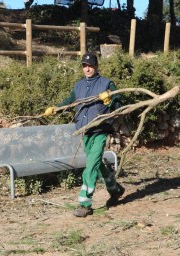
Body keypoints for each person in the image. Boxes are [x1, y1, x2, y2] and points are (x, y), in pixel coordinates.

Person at [44, 52, 125, 217]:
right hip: (85, 131)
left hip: (100, 130)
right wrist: (56, 108)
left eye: (90, 65)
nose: (87, 69)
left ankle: (85, 203)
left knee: (90, 167)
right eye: (84, 66)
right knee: (97, 165)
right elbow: (70, 101)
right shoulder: (79, 86)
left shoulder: (106, 83)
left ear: (96, 66)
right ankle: (115, 189)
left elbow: (119, 103)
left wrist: (109, 100)